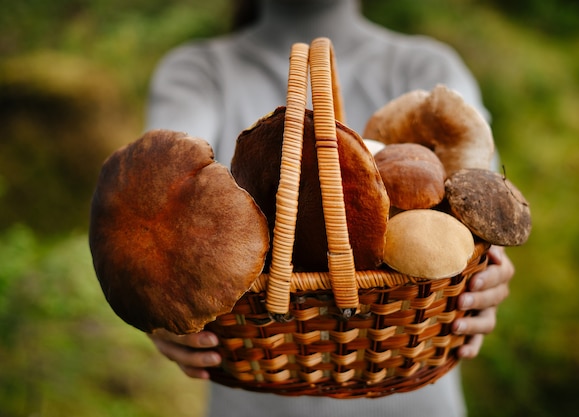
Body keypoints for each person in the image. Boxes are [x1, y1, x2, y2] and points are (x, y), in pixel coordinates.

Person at [145, 1, 514, 416]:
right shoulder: (196, 71)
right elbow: (160, 195)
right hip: (255, 397)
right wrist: (155, 293)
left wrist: (489, 269)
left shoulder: (427, 66)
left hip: (412, 399)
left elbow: (484, 206)